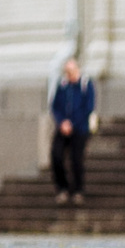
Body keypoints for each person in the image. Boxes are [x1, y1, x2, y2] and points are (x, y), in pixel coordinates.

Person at [48, 56, 96, 205]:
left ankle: (78, 190)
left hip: (80, 128)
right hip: (63, 127)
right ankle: (62, 188)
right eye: (67, 72)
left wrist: (73, 123)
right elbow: (55, 106)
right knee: (56, 155)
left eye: (72, 71)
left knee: (76, 159)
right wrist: (62, 122)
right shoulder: (62, 85)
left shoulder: (86, 84)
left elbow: (88, 107)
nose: (70, 75)